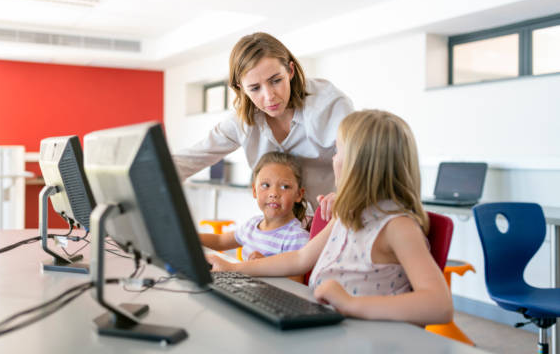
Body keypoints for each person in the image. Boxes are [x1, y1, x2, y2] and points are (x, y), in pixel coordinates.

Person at [207, 110, 453, 326]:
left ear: (357, 166)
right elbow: (300, 258)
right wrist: (234, 268)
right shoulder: (349, 215)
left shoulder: (397, 227)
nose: (333, 159)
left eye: (338, 151)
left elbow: (439, 305)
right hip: (330, 325)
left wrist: (350, 304)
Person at [173, 32, 353, 220]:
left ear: (290, 71)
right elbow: (190, 159)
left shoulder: (329, 105)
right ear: (240, 87)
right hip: (283, 226)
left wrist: (345, 194)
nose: (269, 97)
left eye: (276, 81)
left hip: (337, 218)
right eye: (255, 88)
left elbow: (360, 160)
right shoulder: (241, 122)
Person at [200, 152, 310, 281]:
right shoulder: (252, 225)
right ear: (254, 190)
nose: (274, 193)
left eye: (285, 186)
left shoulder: (297, 237)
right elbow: (220, 241)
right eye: (265, 185)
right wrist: (186, 234)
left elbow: (296, 282)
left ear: (299, 194)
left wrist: (264, 265)